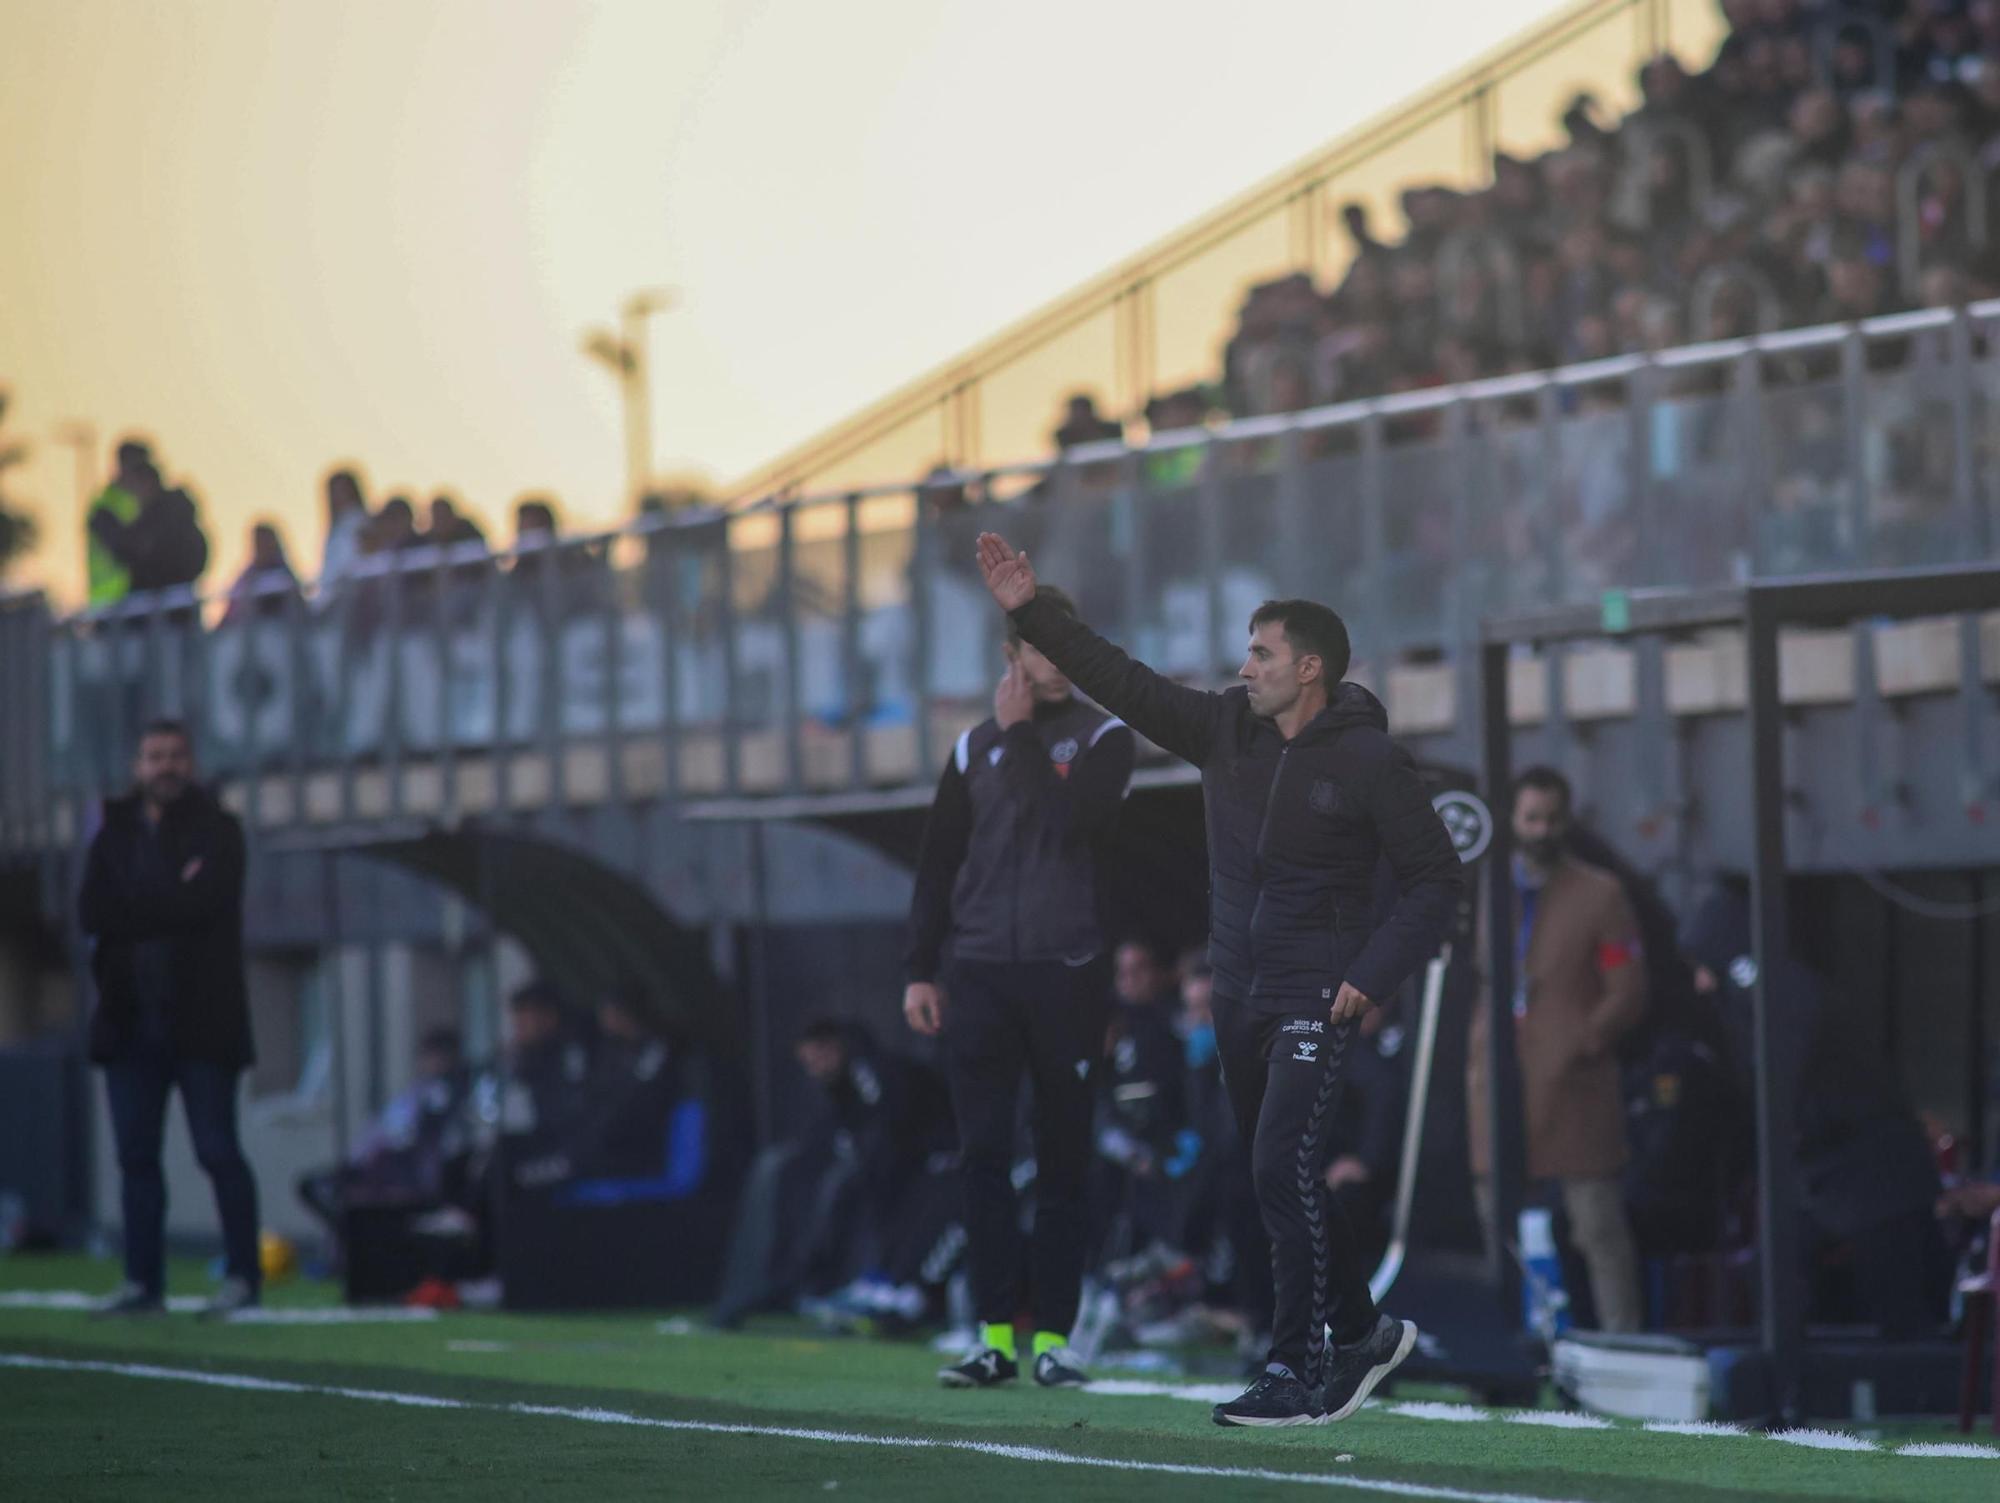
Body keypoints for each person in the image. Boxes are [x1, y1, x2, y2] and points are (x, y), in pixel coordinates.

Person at [976, 531, 1461, 1427]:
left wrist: (1373, 971)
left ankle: (1291, 1365)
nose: (1245, 667)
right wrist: (1030, 610)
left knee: (1281, 1163)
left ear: (1308, 668)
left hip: (1321, 993)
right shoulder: (1220, 731)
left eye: (1261, 653)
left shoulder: (1369, 760)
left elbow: (1437, 882)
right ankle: (1360, 1330)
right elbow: (1120, 677)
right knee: (1282, 1176)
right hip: (1239, 993)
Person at [903, 583, 1137, 1390]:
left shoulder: (1106, 738)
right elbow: (936, 865)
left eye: (1070, 643)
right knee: (982, 1157)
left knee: (1064, 1161)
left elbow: (1067, 824)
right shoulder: (972, 750)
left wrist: (1021, 737)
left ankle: (1057, 1340)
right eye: (1043, 645)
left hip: (1066, 978)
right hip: (976, 978)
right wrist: (918, 969)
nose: (1060, 659)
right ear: (1012, 654)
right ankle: (994, 1335)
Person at [1682, 887, 1947, 1338]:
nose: (1701, 984)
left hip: (1873, 1166)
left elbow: (1788, 1057)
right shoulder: (1760, 999)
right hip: (1822, 1170)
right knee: (1776, 1273)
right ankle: (1799, 1384)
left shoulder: (1785, 989)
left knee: (1898, 1296)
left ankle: (1916, 1389)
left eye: (1705, 968)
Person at [77, 719, 260, 1317]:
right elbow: (92, 911)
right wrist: (165, 900)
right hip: (130, 1027)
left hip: (203, 1025)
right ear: (138, 764)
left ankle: (241, 1277)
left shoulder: (220, 830)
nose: (166, 767)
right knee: (136, 1158)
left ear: (193, 762)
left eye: (176, 756)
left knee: (217, 1150)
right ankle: (142, 1283)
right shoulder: (112, 833)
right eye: (155, 756)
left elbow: (202, 905)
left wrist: (137, 904)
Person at [1467, 766, 1648, 1334]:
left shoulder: (1601, 893)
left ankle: (1623, 1347)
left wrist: (1584, 1039)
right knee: (1492, 1221)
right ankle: (1507, 1343)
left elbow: (1629, 989)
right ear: (1513, 821)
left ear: (1566, 821)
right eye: (1531, 818)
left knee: (1596, 1226)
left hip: (1574, 1085)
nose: (1541, 830)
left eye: (1550, 819)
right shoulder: (1488, 890)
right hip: (1498, 1078)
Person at [296, 1026, 469, 1261]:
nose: (431, 1063)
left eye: (437, 1056)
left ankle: (355, 1254)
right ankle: (349, 1250)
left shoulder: (447, 1095)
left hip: (403, 1174)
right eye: (427, 1056)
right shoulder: (418, 1091)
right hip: (371, 1166)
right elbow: (385, 1130)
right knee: (313, 1187)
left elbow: (409, 1139)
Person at [84, 440, 159, 608]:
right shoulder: (105, 507)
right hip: (112, 607)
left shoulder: (142, 502)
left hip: (139, 604)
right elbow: (127, 550)